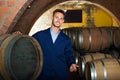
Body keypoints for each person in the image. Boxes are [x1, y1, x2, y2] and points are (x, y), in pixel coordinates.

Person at [13, 9, 78, 80]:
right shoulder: (40, 35)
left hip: (60, 74)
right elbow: (29, 42)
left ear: (63, 21)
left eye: (61, 18)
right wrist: (20, 36)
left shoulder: (66, 39)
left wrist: (72, 63)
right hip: (44, 74)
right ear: (52, 18)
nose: (58, 20)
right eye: (56, 17)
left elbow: (69, 54)